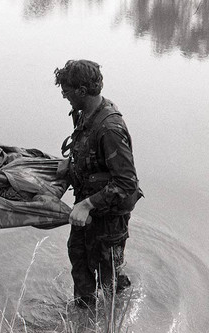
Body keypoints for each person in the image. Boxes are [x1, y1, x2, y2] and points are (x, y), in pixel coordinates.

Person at [54, 60, 142, 308]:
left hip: (108, 221)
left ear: (82, 91)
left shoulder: (110, 128)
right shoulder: (86, 116)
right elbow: (92, 157)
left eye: (67, 91)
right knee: (80, 269)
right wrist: (70, 165)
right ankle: (82, 322)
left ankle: (114, 325)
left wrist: (88, 204)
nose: (64, 96)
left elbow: (126, 182)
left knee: (111, 284)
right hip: (86, 212)